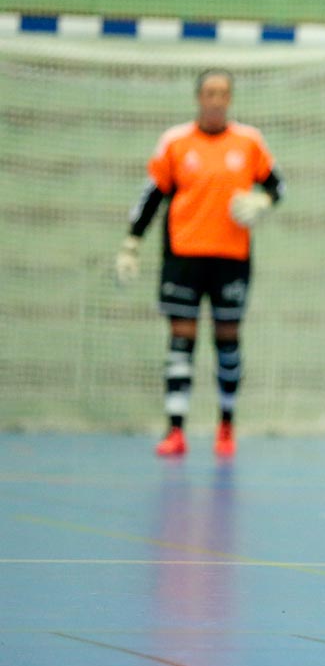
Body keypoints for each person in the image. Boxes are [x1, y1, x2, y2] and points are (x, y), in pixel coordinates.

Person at [115, 68, 284, 459]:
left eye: (223, 92)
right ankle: (175, 430)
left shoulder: (249, 141)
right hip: (183, 256)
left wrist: (263, 201)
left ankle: (226, 425)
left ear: (230, 98)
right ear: (198, 97)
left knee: (227, 340)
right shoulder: (175, 142)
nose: (216, 99)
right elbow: (152, 196)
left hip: (231, 257)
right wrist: (131, 243)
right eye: (209, 92)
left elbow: (278, 184)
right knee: (181, 339)